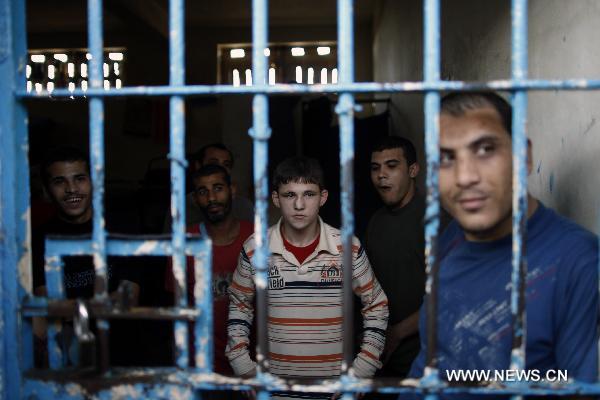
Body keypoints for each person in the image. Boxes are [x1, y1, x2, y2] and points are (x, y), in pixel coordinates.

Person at [409, 92, 598, 384]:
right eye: (445, 158)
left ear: (523, 156)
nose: (465, 176)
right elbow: (430, 360)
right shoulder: (449, 239)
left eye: (485, 149)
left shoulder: (579, 261)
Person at [226, 156, 389, 399]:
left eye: (309, 194)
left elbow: (377, 305)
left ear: (323, 197)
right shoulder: (255, 249)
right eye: (290, 195)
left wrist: (361, 371)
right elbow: (239, 306)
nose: (299, 205)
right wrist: (244, 368)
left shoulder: (347, 247)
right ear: (275, 199)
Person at [32, 145, 140, 366]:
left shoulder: (122, 228)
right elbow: (48, 307)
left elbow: (127, 299)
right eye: (59, 181)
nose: (71, 189)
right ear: (46, 190)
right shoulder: (39, 239)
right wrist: (95, 307)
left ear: (94, 182)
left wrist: (71, 310)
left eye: (79, 178)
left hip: (121, 354)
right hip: (65, 358)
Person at [165, 164, 253, 375]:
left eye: (218, 188)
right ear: (195, 199)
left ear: (232, 190)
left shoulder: (257, 237)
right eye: (203, 192)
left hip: (253, 362)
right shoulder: (185, 243)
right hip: (203, 365)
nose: (211, 198)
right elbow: (176, 311)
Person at [365, 136, 425, 379]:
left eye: (391, 166)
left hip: (423, 363)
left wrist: (398, 333)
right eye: (375, 168)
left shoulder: (435, 221)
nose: (382, 175)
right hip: (381, 362)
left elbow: (451, 296)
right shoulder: (375, 222)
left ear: (412, 170)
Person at [164, 143, 254, 231]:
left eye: (226, 165)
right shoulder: (179, 208)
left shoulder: (245, 207)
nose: (221, 168)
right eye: (213, 163)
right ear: (198, 165)